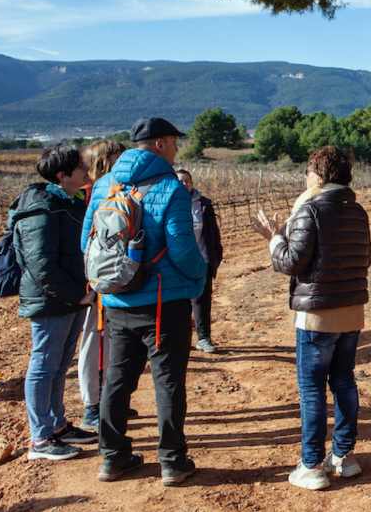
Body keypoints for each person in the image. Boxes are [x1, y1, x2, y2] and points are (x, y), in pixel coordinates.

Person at [81, 117, 207, 486]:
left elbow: (86, 244)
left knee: (117, 380)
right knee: (168, 382)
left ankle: (113, 457)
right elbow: (182, 248)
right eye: (174, 142)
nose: (177, 148)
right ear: (162, 144)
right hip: (163, 304)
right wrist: (199, 277)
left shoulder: (104, 184)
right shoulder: (171, 188)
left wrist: (111, 281)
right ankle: (172, 460)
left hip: (116, 302)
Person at [253, 146, 371, 491]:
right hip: (352, 312)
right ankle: (344, 457)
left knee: (312, 390)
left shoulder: (311, 208)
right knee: (344, 382)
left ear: (319, 174)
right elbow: (366, 257)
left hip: (317, 316)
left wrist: (274, 238)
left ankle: (311, 465)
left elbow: (292, 261)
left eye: (309, 171)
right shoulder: (358, 211)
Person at [17, 145, 96, 460]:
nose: (87, 172)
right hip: (52, 301)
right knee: (43, 365)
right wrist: (75, 294)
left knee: (59, 365)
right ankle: (40, 439)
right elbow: (41, 265)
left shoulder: (64, 202)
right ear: (63, 175)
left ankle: (57, 425)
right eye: (80, 168)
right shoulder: (41, 207)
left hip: (70, 298)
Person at [76, 139, 125, 431]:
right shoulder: (92, 194)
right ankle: (92, 405)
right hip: (95, 280)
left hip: (106, 276)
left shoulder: (105, 190)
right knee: (94, 340)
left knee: (110, 340)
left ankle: (107, 399)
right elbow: (86, 241)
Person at [175, 169, 224, 354]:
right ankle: (181, 341)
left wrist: (215, 256)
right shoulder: (171, 202)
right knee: (179, 303)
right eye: (180, 181)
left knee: (202, 301)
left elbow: (213, 233)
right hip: (178, 262)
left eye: (187, 181)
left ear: (192, 183)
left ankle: (203, 338)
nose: (184, 184)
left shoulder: (203, 204)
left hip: (201, 260)